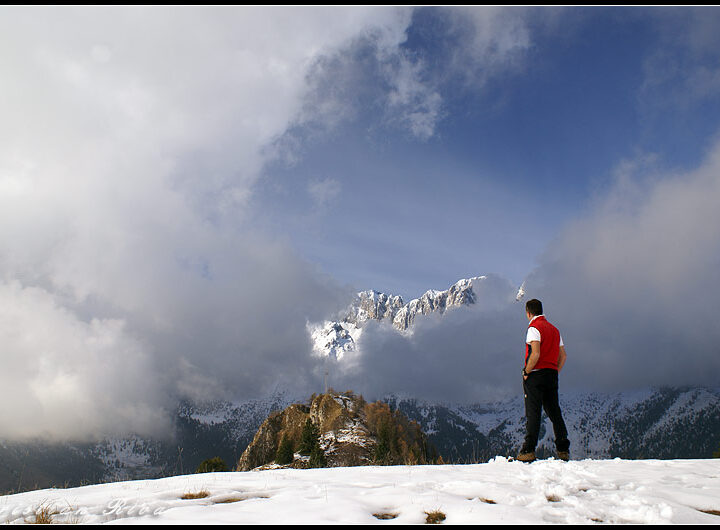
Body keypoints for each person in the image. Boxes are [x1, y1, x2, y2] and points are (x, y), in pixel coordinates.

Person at [517, 299, 570, 462]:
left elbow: (536, 353)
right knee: (554, 412)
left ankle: (528, 450)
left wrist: (526, 371)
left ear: (528, 312)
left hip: (536, 375)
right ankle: (563, 449)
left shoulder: (534, 328)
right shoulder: (555, 330)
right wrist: (554, 370)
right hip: (551, 375)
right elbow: (563, 355)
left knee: (533, 413)